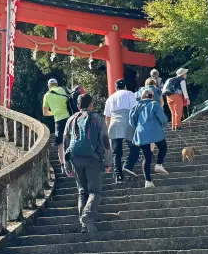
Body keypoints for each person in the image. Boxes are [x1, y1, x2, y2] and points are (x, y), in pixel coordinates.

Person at [65, 93, 110, 235]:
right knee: (94, 191)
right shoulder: (97, 118)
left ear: (78, 106)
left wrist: (66, 164)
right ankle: (88, 216)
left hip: (75, 158)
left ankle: (84, 225)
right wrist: (108, 161)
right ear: (91, 105)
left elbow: (66, 142)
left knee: (82, 192)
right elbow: (104, 140)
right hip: (93, 158)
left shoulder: (71, 119)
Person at [128, 87, 169, 187]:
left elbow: (131, 122)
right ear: (152, 96)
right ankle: (159, 164)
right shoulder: (154, 104)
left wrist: (139, 126)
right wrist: (164, 123)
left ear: (142, 97)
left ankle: (148, 181)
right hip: (155, 132)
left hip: (141, 134)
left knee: (147, 156)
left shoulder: (136, 106)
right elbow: (163, 118)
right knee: (163, 147)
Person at [104, 79, 137, 183]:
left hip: (114, 123)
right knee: (135, 147)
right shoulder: (130, 94)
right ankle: (128, 165)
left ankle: (118, 176)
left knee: (116, 152)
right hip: (127, 122)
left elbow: (107, 116)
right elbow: (134, 110)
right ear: (125, 86)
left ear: (115, 87)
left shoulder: (110, 98)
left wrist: (107, 128)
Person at [42, 77, 73, 176]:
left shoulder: (47, 95)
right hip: (70, 118)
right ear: (57, 84)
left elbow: (45, 113)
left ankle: (63, 165)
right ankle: (74, 161)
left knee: (60, 143)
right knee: (72, 139)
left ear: (48, 86)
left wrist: (55, 112)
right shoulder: (64, 89)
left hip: (58, 120)